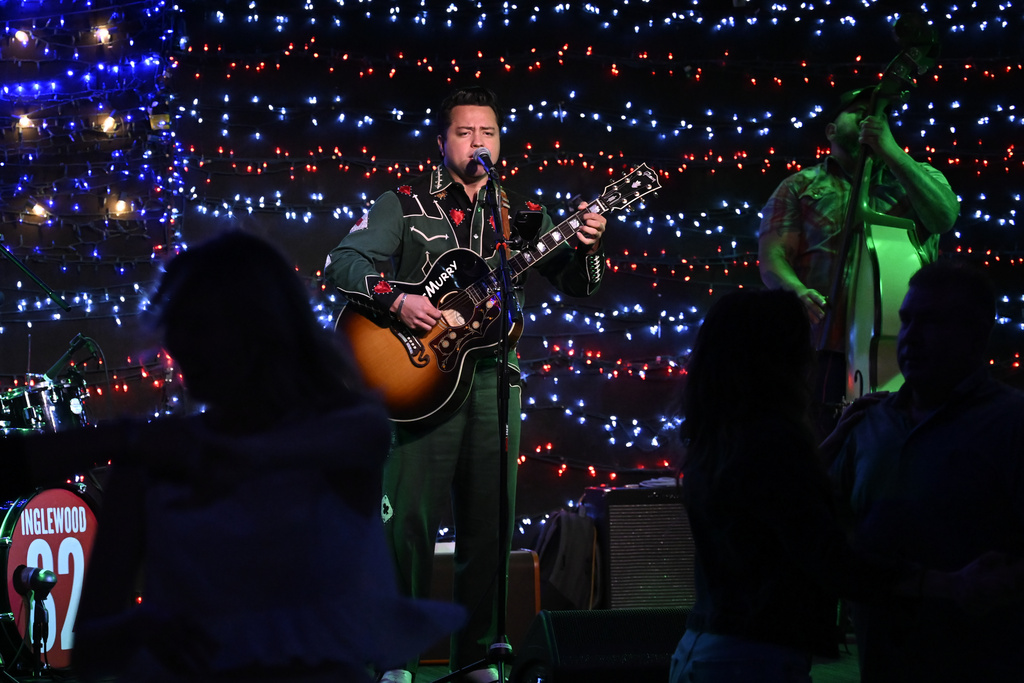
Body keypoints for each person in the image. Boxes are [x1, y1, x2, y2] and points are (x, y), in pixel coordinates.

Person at [64, 231, 464, 682]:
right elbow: (90, 650)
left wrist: (137, 443)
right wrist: (142, 628)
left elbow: (352, 436)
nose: (178, 346)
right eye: (177, 325)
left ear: (258, 330)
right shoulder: (151, 458)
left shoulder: (344, 433)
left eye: (200, 326)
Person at [324, 85, 606, 683]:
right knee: (407, 527)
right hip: (419, 381)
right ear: (442, 141)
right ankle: (393, 658)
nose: (478, 142)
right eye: (465, 132)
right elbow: (342, 263)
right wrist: (397, 300)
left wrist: (588, 245)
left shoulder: (522, 216)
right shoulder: (404, 204)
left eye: (489, 133)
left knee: (490, 526)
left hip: (493, 381)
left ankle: (478, 655)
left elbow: (580, 285)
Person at [670, 288, 1009, 683]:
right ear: (780, 357)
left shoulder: (722, 433)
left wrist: (829, 445)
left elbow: (767, 497)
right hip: (751, 658)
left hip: (704, 647)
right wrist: (947, 583)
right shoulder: (772, 439)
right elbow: (829, 559)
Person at [828, 261, 1024, 682]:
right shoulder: (868, 422)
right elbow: (827, 526)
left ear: (977, 335)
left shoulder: (1012, 421)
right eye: (907, 320)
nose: (910, 336)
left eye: (932, 322)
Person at [758, 86, 960, 435]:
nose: (871, 116)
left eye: (880, 112)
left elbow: (944, 218)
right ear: (831, 130)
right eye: (858, 111)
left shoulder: (919, 176)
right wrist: (796, 291)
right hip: (818, 345)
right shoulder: (798, 185)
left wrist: (891, 151)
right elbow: (772, 257)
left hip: (903, 350)